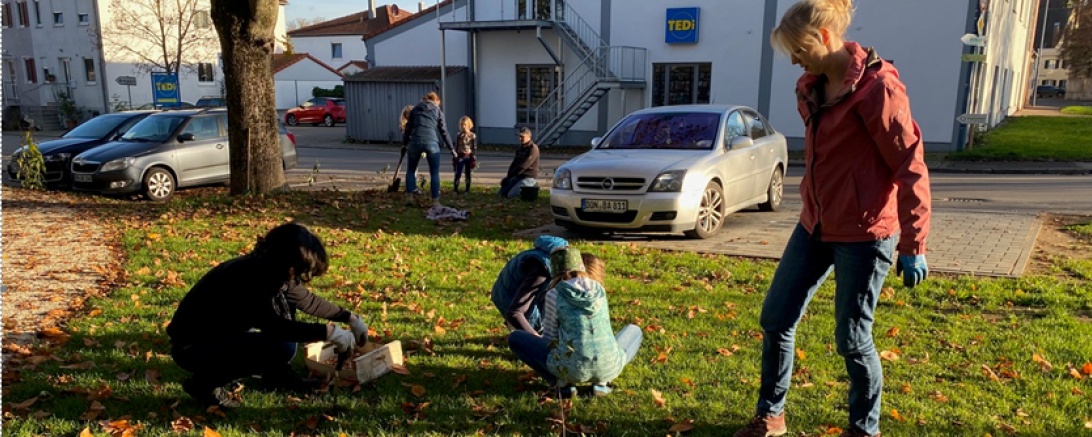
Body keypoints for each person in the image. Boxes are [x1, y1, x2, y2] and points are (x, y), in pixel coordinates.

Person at [733, 1, 931, 437]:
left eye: (797, 49)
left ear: (824, 36)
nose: (792, 60)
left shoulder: (878, 90)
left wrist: (913, 245)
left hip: (865, 233)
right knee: (775, 317)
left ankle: (864, 429)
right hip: (814, 226)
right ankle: (772, 415)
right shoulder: (811, 86)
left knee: (852, 339)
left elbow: (910, 166)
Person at [167, 223, 370, 409]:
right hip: (192, 347)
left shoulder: (270, 269)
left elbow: (307, 300)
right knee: (280, 347)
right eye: (297, 270)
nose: (298, 277)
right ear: (284, 260)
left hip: (216, 336)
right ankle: (203, 384)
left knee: (284, 318)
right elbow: (274, 327)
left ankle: (277, 375)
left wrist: (350, 318)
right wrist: (328, 332)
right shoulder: (249, 277)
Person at [507, 248, 643, 398]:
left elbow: (550, 338)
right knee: (634, 330)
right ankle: (602, 383)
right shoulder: (599, 290)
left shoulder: (554, 294)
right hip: (609, 365)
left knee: (515, 338)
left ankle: (562, 384)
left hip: (572, 368)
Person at [490, 235, 569, 333]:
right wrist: (537, 340)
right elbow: (515, 313)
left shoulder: (541, 256)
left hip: (507, 292)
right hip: (509, 298)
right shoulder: (541, 270)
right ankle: (520, 331)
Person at [403, 92, 457, 207]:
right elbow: (444, 131)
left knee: (411, 170)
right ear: (436, 101)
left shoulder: (416, 109)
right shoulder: (437, 111)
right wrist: (452, 149)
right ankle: (435, 201)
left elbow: (408, 128)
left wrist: (404, 144)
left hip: (415, 142)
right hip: (432, 143)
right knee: (434, 173)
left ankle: (409, 197)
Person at [498, 127, 540, 198]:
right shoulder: (520, 148)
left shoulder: (533, 149)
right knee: (501, 193)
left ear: (529, 136)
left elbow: (524, 166)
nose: (520, 139)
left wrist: (513, 175)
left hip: (528, 177)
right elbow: (514, 163)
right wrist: (508, 177)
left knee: (511, 195)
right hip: (518, 176)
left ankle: (531, 188)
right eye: (519, 136)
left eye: (522, 137)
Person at [453, 116, 478, 194]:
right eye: (461, 125)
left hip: (468, 156)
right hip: (460, 156)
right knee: (458, 173)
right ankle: (455, 189)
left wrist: (473, 157)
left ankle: (467, 189)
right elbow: (456, 146)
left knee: (467, 174)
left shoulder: (472, 135)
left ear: (469, 125)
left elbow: (474, 147)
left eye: (465, 125)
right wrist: (454, 157)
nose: (463, 127)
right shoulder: (459, 135)